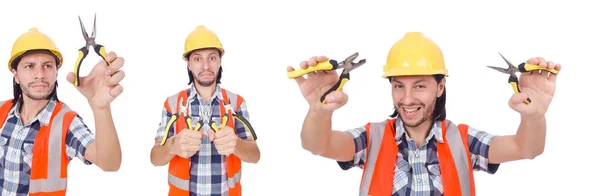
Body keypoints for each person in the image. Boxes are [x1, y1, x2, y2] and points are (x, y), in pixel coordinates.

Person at [288, 32, 560, 196]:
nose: (407, 99)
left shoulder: (463, 140)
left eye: (419, 86)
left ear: (440, 86)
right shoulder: (371, 138)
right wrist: (318, 111)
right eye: (398, 86)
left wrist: (534, 116)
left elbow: (527, 148)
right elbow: (316, 144)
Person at [0, 28, 125, 196]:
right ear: (16, 74)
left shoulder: (66, 122)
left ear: (56, 72)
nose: (40, 75)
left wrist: (100, 107)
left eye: (47, 66)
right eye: (29, 66)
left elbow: (110, 163)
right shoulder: (1, 111)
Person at [150, 25, 260, 196]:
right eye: (197, 59)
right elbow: (155, 158)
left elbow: (255, 155)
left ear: (220, 61)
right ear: (188, 64)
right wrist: (172, 146)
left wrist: (237, 145)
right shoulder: (172, 104)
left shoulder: (236, 103)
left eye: (212, 58)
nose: (206, 66)